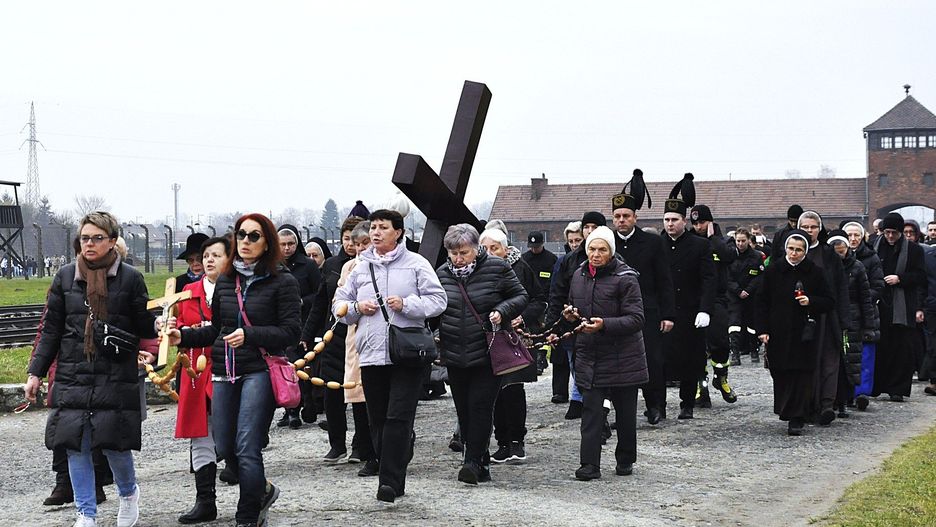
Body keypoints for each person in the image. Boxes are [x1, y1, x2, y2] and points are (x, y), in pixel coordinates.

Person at [166, 213, 301, 527]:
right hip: (224, 370)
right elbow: (217, 328)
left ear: (267, 242)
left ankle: (248, 515)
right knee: (225, 446)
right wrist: (182, 336)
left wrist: (251, 335)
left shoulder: (283, 281)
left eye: (254, 236)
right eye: (241, 235)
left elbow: (291, 332)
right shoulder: (228, 280)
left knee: (247, 445)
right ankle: (263, 491)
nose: (246, 242)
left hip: (259, 371)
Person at [25, 211, 157, 527]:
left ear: (112, 241)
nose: (90, 244)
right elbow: (51, 330)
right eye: (85, 238)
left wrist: (153, 347)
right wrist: (35, 372)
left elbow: (144, 325)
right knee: (75, 445)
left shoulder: (130, 279)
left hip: (114, 372)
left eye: (97, 238)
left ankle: (128, 494)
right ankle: (86, 513)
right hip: (73, 372)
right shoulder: (65, 277)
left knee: (113, 444)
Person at [333, 209, 446, 503]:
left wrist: (407, 304)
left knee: (398, 415)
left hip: (406, 353)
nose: (376, 232)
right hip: (371, 353)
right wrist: (357, 308)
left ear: (398, 232)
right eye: (373, 227)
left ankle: (389, 482)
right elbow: (339, 306)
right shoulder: (359, 268)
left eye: (383, 227)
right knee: (379, 419)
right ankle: (401, 450)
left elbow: (438, 300)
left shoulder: (416, 264)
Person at [437, 224, 528, 484]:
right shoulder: (442, 274)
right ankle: (481, 462)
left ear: (476, 249)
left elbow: (521, 295)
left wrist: (503, 310)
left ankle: (471, 461)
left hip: (488, 350)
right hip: (455, 351)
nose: (458, 259)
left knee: (480, 406)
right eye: (453, 253)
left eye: (464, 252)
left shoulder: (497, 268)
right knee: (464, 410)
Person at [564, 226, 647, 481]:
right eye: (591, 248)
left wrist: (605, 325)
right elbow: (572, 305)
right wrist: (569, 316)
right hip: (591, 354)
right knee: (591, 412)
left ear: (611, 252)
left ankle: (625, 459)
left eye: (602, 249)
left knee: (624, 414)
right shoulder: (578, 275)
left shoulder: (626, 278)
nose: (596, 254)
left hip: (624, 356)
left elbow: (636, 318)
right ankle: (589, 464)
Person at [173, 235, 232, 524]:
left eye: (214, 255)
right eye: (205, 255)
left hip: (229, 367)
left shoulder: (236, 289)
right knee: (200, 434)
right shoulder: (186, 292)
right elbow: (178, 327)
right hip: (194, 372)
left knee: (235, 435)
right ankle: (205, 500)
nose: (207, 260)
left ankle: (257, 492)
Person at [611, 169, 676, 424]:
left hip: (648, 311)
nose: (622, 220)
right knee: (619, 365)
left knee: (652, 359)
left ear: (635, 217)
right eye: (617, 216)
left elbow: (664, 280)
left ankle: (655, 406)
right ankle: (622, 413)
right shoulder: (607, 243)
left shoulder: (652, 243)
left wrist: (668, 313)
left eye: (626, 216)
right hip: (616, 312)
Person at [755, 231, 835, 435]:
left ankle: (797, 416)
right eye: (791, 249)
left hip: (804, 332)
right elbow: (762, 302)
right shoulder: (773, 271)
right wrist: (762, 329)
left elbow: (828, 301)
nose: (794, 253)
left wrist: (811, 301)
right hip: (778, 331)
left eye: (799, 250)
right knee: (780, 371)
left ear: (805, 252)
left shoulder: (815, 272)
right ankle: (785, 409)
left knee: (801, 374)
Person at [479, 227, 543, 465]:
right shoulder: (478, 270)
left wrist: (522, 316)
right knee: (493, 391)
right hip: (489, 336)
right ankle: (502, 441)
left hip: (515, 336)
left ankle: (517, 440)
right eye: (484, 248)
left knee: (513, 389)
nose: (489, 253)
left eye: (494, 248)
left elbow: (538, 298)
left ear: (505, 250)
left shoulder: (520, 267)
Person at [299, 216, 364, 450]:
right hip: (334, 334)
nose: (350, 244)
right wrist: (307, 334)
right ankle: (337, 444)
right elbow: (320, 302)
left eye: (355, 239)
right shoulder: (332, 265)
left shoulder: (367, 266)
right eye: (346, 239)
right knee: (332, 392)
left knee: (358, 392)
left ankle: (361, 443)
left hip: (357, 334)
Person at [660, 174, 716, 420]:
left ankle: (687, 404)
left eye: (674, 220)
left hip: (691, 310)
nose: (670, 224)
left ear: (684, 221)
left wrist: (705, 309)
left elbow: (709, 279)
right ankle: (657, 406)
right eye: (666, 220)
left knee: (690, 360)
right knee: (660, 361)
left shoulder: (700, 245)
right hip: (664, 311)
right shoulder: (656, 244)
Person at [549, 211, 608, 418]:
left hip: (603, 324)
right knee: (576, 364)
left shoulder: (614, 259)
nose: (589, 231)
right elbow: (556, 293)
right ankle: (580, 399)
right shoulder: (568, 261)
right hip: (572, 324)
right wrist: (552, 327)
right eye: (586, 227)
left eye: (594, 227)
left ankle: (597, 403)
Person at [797, 211, 848, 425]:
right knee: (805, 362)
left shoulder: (829, 255)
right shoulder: (794, 252)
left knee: (829, 360)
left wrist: (845, 320)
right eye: (805, 227)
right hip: (800, 317)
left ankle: (827, 403)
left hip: (827, 316)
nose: (809, 231)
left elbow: (841, 288)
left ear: (820, 229)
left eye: (813, 227)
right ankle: (806, 405)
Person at [335, 221, 377, 476]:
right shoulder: (349, 268)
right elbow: (340, 303)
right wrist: (352, 308)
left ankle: (381, 448)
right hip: (356, 337)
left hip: (382, 337)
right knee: (358, 395)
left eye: (365, 243)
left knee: (378, 396)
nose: (360, 248)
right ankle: (365, 447)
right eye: (356, 243)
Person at [872, 212, 926, 401]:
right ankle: (877, 386)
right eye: (887, 232)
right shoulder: (875, 246)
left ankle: (897, 389)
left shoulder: (914, 250)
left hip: (902, 305)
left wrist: (900, 279)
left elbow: (920, 276)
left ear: (900, 232)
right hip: (880, 303)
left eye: (894, 233)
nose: (890, 237)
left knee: (902, 349)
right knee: (881, 348)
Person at [690, 204, 739, 407]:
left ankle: (721, 377)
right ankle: (701, 387)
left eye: (702, 222)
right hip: (695, 298)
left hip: (718, 298)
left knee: (720, 342)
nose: (698, 227)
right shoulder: (690, 241)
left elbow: (729, 256)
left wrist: (712, 238)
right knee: (696, 345)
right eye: (695, 223)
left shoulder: (724, 240)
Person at [275, 224, 322, 430]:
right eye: (282, 245)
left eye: (291, 244)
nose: (287, 248)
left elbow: (320, 294)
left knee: (301, 366)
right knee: (285, 367)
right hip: (280, 324)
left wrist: (302, 301)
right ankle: (290, 409)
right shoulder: (272, 266)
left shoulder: (308, 265)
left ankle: (305, 404)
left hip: (304, 323)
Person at [827, 229, 878, 415]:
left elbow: (865, 298)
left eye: (842, 251)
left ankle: (849, 396)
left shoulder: (857, 267)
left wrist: (869, 325)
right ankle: (833, 398)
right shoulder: (826, 267)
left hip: (853, 318)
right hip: (832, 317)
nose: (840, 255)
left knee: (852, 360)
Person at [547, 221, 584, 400]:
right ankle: (574, 396)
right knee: (570, 359)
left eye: (578, 240)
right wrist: (552, 326)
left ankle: (579, 398)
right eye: (571, 241)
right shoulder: (563, 262)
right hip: (567, 317)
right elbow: (556, 292)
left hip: (584, 316)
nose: (575, 244)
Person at [727, 228, 765, 365]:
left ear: (749, 240)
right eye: (738, 241)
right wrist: (737, 291)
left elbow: (760, 277)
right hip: (734, 295)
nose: (741, 244)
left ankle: (754, 350)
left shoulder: (756, 256)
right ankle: (735, 354)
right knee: (734, 324)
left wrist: (748, 290)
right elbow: (726, 276)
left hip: (751, 295)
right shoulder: (730, 255)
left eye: (743, 241)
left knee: (752, 324)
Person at [522, 231, 557, 374]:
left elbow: (554, 279)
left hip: (546, 299)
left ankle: (542, 357)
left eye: (536, 246)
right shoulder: (524, 259)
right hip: (529, 301)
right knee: (532, 330)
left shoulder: (551, 259)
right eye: (532, 246)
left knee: (543, 329)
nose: (534, 249)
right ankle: (534, 359)